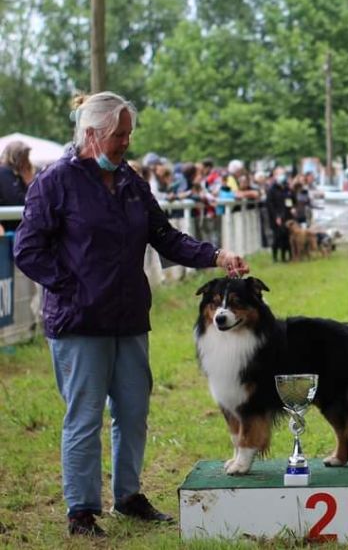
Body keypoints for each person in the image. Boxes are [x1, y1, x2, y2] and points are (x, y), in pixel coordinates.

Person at [13, 92, 249, 537]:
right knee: (84, 416)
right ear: (92, 134)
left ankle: (128, 495)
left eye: (128, 134)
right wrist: (73, 288)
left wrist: (217, 255)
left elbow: (164, 235)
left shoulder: (130, 181)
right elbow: (28, 249)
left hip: (129, 318)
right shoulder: (54, 182)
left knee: (133, 410)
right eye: (119, 135)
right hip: (79, 323)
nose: (126, 143)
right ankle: (81, 510)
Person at [0, 140, 34, 230]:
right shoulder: (4, 173)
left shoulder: (17, 175)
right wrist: (29, 181)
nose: (27, 161)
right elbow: (17, 201)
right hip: (9, 229)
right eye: (24, 157)